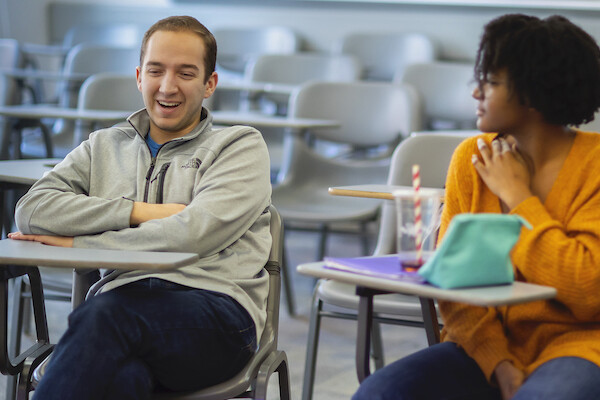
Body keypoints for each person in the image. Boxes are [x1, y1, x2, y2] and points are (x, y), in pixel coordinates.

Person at [9, 15, 272, 399]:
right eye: (156, 70)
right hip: (124, 305)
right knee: (122, 380)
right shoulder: (103, 146)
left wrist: (80, 245)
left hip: (217, 311)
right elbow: (32, 210)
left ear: (209, 84)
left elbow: (193, 232)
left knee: (102, 315)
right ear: (138, 77)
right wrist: (137, 211)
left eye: (186, 73)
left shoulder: (239, 146)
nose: (168, 86)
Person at [353, 13, 600, 400]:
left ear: (532, 93)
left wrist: (519, 199)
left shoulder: (595, 165)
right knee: (377, 394)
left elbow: (587, 291)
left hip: (579, 347)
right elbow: (454, 287)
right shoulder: (471, 157)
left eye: (491, 82)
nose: (475, 93)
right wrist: (497, 362)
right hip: (481, 347)